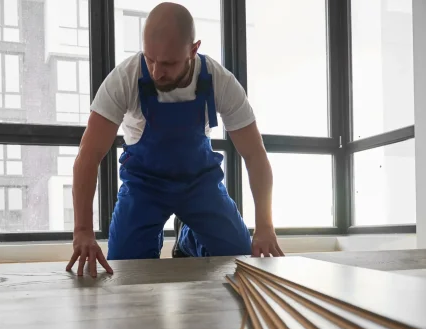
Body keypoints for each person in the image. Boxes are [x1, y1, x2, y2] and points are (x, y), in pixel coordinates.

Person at [67, 2, 284, 277]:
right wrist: (83, 231)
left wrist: (265, 226)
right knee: (125, 268)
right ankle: (149, 238)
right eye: (149, 59)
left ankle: (188, 239)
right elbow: (88, 156)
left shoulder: (220, 82)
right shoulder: (124, 78)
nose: (157, 71)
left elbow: (255, 155)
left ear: (194, 50)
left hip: (199, 182)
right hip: (144, 185)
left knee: (239, 258)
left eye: (168, 63)